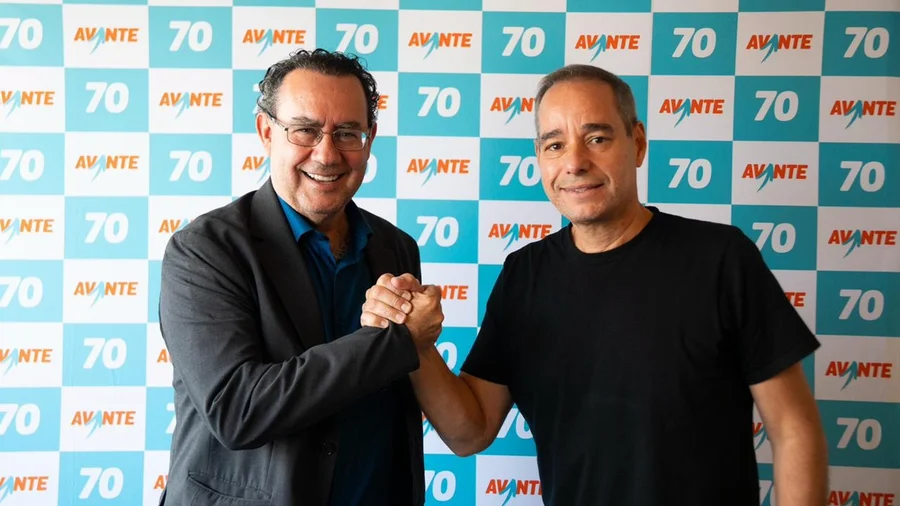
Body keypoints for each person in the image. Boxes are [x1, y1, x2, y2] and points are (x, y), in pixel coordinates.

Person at [362, 64, 829, 505]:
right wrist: (413, 342)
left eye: (597, 138)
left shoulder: (721, 258)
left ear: (637, 143)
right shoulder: (524, 275)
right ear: (540, 159)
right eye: (554, 145)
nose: (575, 162)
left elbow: (793, 428)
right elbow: (471, 431)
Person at [157, 48, 441, 506]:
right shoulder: (205, 250)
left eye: (347, 133)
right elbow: (238, 410)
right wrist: (396, 343)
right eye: (305, 130)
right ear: (267, 132)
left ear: (369, 139)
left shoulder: (396, 247)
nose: (326, 155)